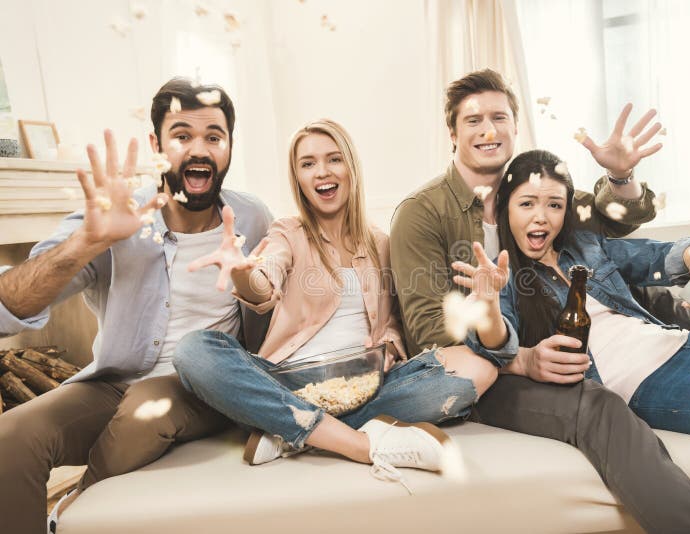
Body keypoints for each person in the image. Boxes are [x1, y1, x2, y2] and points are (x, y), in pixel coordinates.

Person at [390, 69, 690, 531]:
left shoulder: (535, 184)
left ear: (516, 127)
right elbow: (429, 334)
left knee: (619, 283)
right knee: (599, 404)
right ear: (451, 133)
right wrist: (522, 360)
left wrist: (620, 174)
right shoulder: (422, 213)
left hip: (569, 338)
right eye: (473, 120)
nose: (488, 129)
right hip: (496, 371)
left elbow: (615, 220)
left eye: (500, 117)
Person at [0, 78, 274, 533]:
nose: (199, 150)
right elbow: (7, 306)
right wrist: (86, 242)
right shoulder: (115, 214)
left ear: (229, 145)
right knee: (11, 439)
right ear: (157, 145)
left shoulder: (251, 216)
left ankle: (68, 511)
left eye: (213, 136)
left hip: (206, 385)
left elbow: (272, 298)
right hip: (115, 384)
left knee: (147, 405)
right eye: (182, 136)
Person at [173, 119, 498, 491]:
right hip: (287, 383)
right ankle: (359, 442)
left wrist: (388, 348)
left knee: (479, 366)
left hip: (366, 384)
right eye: (308, 163)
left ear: (350, 168)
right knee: (194, 351)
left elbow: (393, 322)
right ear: (297, 177)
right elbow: (265, 282)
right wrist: (243, 274)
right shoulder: (287, 232)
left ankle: (288, 429)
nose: (322, 172)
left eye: (333, 159)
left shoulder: (381, 242)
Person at [461, 148, 690, 460]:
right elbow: (495, 345)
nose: (541, 217)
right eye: (527, 204)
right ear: (504, 208)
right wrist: (489, 308)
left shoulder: (585, 247)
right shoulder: (498, 278)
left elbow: (653, 255)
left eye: (554, 204)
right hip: (658, 384)